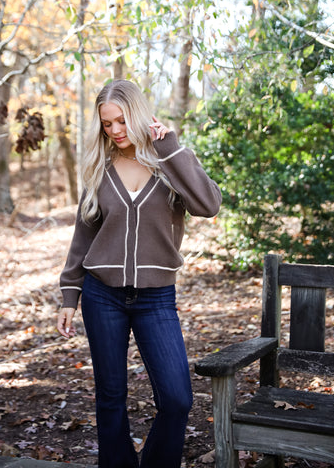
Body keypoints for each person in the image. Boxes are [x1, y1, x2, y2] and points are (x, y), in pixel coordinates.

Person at [57, 79, 222, 468]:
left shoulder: (169, 161)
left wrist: (169, 148)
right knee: (110, 396)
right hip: (102, 295)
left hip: (156, 298)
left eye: (121, 121)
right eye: (107, 125)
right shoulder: (100, 168)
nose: (115, 132)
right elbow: (84, 235)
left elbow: (209, 204)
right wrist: (69, 293)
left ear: (138, 114)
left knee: (178, 398)